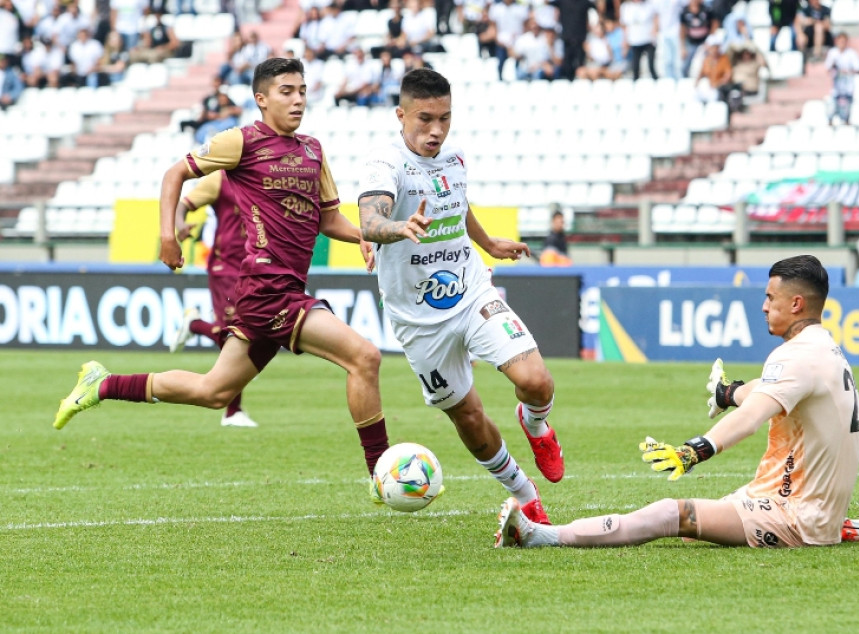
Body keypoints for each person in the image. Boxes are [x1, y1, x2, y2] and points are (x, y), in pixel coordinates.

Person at [53, 57, 392, 479]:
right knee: (365, 356)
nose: (298, 100)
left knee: (214, 391)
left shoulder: (312, 150)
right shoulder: (241, 142)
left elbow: (327, 220)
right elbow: (174, 174)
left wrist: (362, 234)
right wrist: (167, 235)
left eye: (302, 91)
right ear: (261, 99)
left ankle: (103, 384)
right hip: (268, 290)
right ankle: (382, 474)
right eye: (287, 91)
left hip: (278, 291)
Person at [496, 254, 859, 549]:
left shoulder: (795, 356)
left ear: (796, 305)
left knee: (674, 513)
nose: (763, 306)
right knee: (694, 536)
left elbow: (753, 417)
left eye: (771, 298)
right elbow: (769, 394)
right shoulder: (822, 348)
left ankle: (539, 536)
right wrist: (729, 393)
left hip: (795, 515)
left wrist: (694, 451)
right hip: (788, 499)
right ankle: (840, 524)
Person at [357, 68, 565, 524]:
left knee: (536, 381)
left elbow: (457, 201)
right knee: (468, 417)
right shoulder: (383, 163)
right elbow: (370, 218)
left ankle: (536, 425)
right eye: (424, 119)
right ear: (401, 115)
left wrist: (488, 244)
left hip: (470, 291)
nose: (436, 131)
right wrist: (395, 228)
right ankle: (525, 494)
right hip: (417, 320)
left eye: (445, 119)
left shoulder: (454, 155)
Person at [168, 170, 259, 428]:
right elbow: (184, 204)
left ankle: (194, 325)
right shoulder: (219, 179)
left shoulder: (262, 174)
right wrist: (180, 224)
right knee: (234, 334)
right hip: (225, 266)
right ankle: (233, 411)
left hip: (254, 267)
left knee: (247, 333)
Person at [824, 31, 859, 125]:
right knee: (831, 110)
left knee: (846, 113)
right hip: (836, 88)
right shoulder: (832, 53)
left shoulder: (851, 53)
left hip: (848, 88)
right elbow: (827, 69)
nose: (841, 43)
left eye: (843, 41)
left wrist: (847, 71)